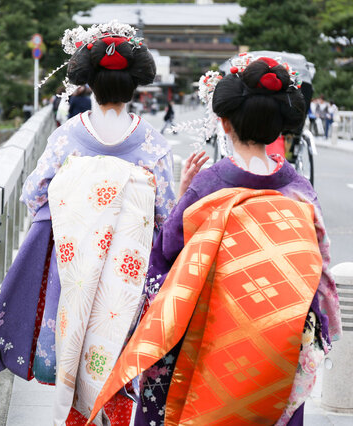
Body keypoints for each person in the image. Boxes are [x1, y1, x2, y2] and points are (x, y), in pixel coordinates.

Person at [91, 56, 342, 426]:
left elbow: (167, 254)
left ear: (223, 122)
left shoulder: (209, 186)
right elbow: (318, 268)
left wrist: (182, 193)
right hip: (280, 337)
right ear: (279, 128)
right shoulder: (301, 192)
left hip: (208, 338)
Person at [0, 22, 194, 425]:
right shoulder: (154, 144)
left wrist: (80, 202)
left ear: (88, 83)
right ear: (135, 86)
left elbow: (34, 194)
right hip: (129, 271)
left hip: (72, 267)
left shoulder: (68, 136)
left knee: (75, 343)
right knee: (118, 347)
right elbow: (164, 214)